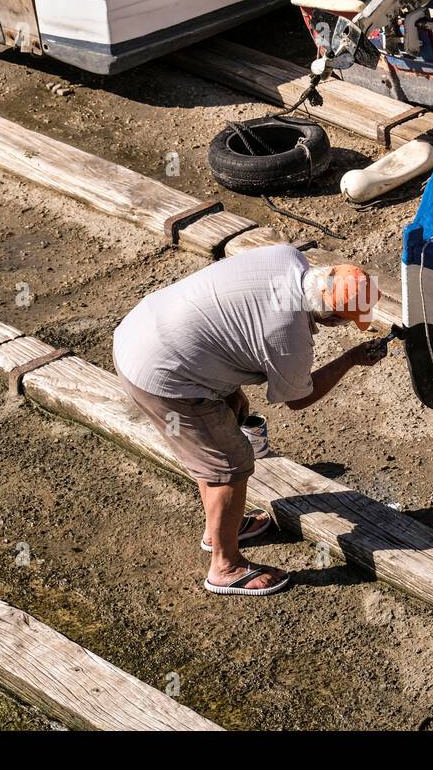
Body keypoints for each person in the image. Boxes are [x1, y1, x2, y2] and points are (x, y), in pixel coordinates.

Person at [112, 244, 387, 596]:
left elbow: (233, 318)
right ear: (331, 318)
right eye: (346, 320)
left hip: (141, 331)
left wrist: (226, 387)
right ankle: (225, 567)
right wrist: (350, 359)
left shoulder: (286, 257)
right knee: (229, 462)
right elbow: (299, 399)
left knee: (215, 445)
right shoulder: (289, 335)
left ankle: (222, 528)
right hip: (163, 375)